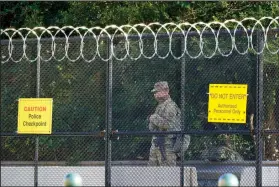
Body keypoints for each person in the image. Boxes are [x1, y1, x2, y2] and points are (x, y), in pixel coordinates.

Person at [148, 81, 181, 166]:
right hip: (156, 143)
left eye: (157, 92)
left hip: (167, 146)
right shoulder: (160, 105)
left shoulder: (170, 106)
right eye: (154, 92)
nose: (155, 94)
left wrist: (153, 118)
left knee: (167, 173)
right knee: (151, 174)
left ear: (166, 91)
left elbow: (168, 124)